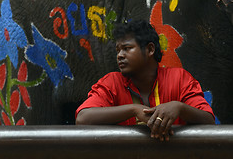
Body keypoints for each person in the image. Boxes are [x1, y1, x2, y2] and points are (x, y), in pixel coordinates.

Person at [75, 20, 215, 141]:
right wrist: (134, 110)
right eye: (118, 50)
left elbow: (208, 120)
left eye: (127, 48)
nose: (120, 55)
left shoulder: (179, 78)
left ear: (150, 49)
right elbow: (83, 118)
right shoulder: (112, 82)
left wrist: (179, 107)